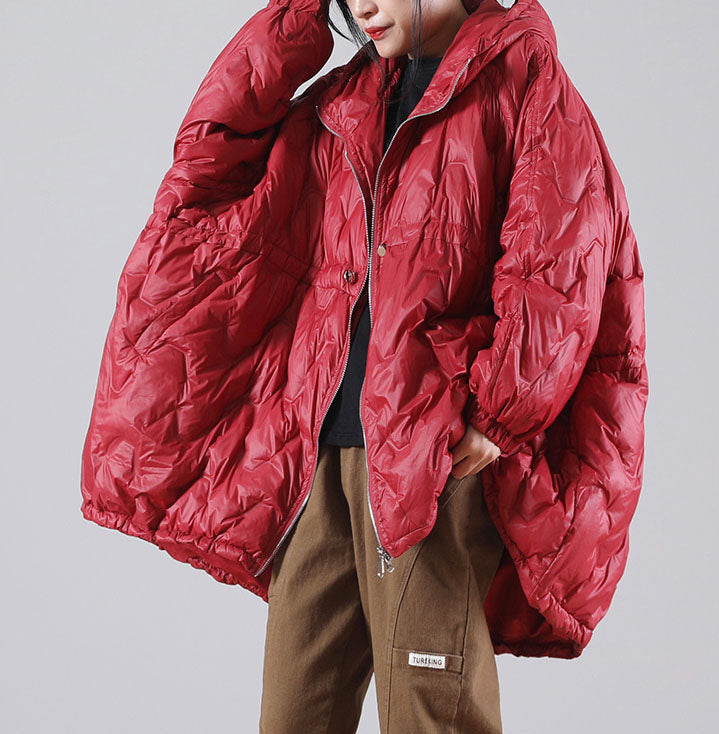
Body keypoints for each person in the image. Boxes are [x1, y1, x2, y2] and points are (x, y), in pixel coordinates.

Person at [80, 0, 648, 732]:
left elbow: (562, 257)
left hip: (430, 463)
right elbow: (208, 159)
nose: (361, 5)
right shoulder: (347, 98)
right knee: (294, 712)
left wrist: (497, 412)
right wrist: (298, 16)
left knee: (428, 712)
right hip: (319, 466)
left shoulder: (524, 82)